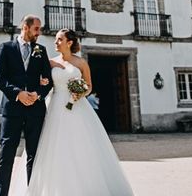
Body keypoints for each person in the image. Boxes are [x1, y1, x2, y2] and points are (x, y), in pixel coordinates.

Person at [10, 28, 134, 196]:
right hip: (54, 107)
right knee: (52, 146)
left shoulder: (81, 63)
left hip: (78, 108)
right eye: (56, 39)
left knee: (81, 146)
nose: (56, 42)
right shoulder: (50, 62)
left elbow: (89, 86)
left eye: (59, 39)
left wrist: (81, 93)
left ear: (69, 42)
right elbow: (43, 82)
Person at [0, 14, 53, 196]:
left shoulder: (41, 51)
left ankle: (33, 193)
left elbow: (48, 80)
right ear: (25, 27)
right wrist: (18, 93)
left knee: (34, 156)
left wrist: (38, 94)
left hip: (35, 111)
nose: (39, 33)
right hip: (12, 110)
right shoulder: (6, 48)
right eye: (36, 29)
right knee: (6, 156)